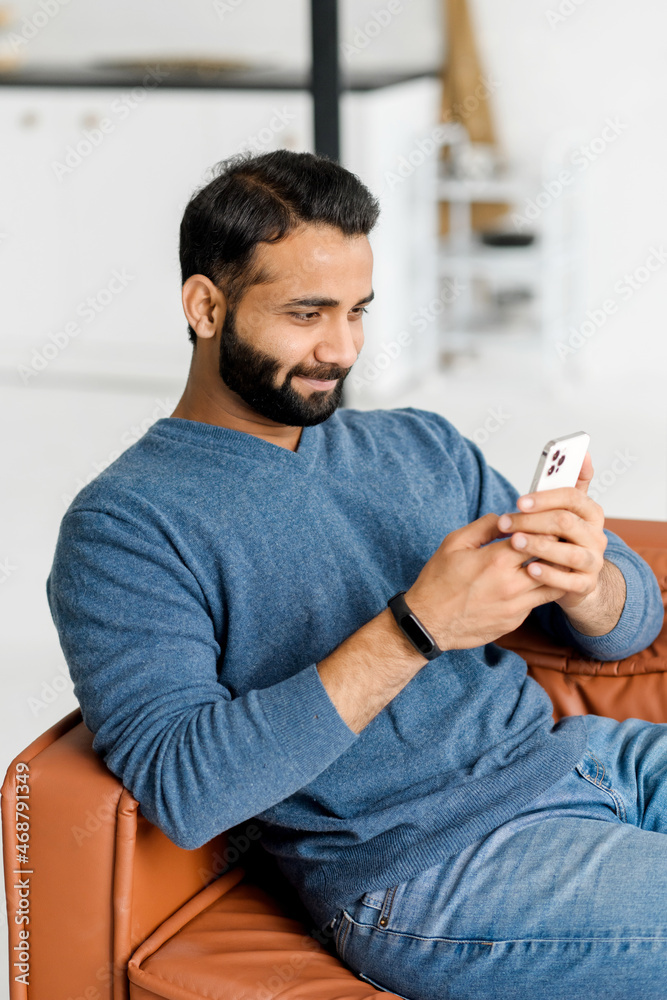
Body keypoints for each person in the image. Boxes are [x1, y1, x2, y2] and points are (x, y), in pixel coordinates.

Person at [46, 149, 665, 999]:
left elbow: (630, 630)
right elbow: (185, 789)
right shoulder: (125, 526)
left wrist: (589, 581)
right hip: (434, 871)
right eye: (306, 313)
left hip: (589, 761)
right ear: (204, 306)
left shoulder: (418, 442)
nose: (339, 349)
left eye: (356, 312)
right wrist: (415, 629)